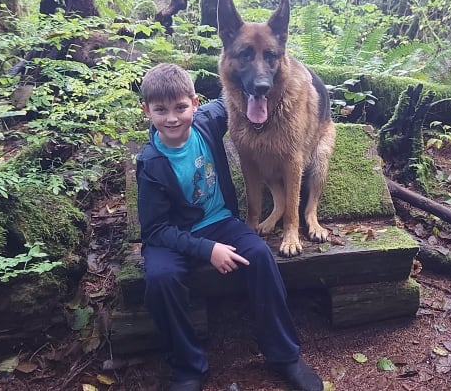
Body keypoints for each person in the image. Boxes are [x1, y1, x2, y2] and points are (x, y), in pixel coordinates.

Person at [135, 63, 324, 391]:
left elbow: (240, 90)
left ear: (195, 104)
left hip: (219, 223)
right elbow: (155, 231)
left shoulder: (207, 123)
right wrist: (208, 250)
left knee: (260, 256)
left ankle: (285, 356)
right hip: (172, 237)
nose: (173, 118)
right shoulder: (150, 163)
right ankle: (188, 367)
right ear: (146, 111)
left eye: (181, 107)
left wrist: (299, 74)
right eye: (161, 110)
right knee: (161, 279)